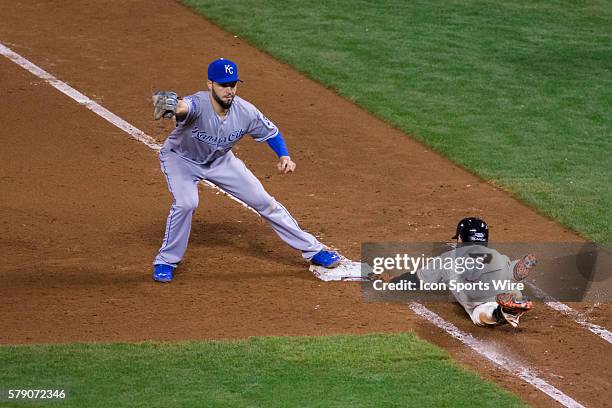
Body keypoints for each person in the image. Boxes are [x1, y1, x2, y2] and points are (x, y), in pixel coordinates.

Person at [150, 58, 341, 283]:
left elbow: (272, 133)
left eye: (233, 84)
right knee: (186, 203)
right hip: (181, 160)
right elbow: (183, 106)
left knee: (265, 201)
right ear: (210, 84)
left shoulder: (246, 112)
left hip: (221, 162)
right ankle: (166, 260)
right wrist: (173, 105)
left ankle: (314, 250)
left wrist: (284, 156)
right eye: (223, 85)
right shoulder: (198, 104)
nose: (229, 90)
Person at [395, 218, 536, 327]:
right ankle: (514, 284)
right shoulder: (494, 254)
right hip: (506, 286)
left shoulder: (448, 258)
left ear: (461, 239)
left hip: (480, 297)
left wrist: (393, 282)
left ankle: (501, 313)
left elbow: (416, 280)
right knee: (507, 277)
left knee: (479, 313)